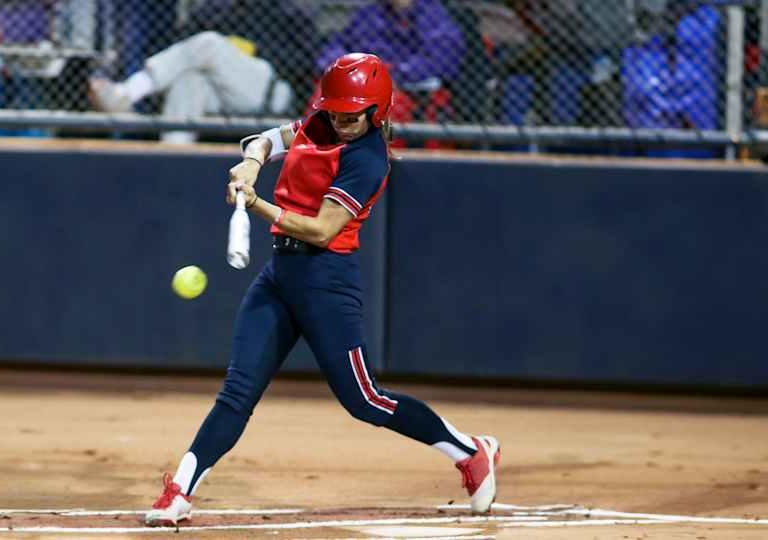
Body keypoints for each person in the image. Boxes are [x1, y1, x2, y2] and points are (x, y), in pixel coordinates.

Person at [143, 53, 500, 527]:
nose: (340, 121)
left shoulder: (368, 158)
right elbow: (271, 139)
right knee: (237, 393)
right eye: (334, 111)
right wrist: (250, 163)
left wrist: (257, 204)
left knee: (364, 400)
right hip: (280, 275)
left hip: (326, 280)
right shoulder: (325, 118)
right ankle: (180, 492)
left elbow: (321, 230)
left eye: (351, 115)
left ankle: (470, 451)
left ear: (377, 112)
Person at [89, 0, 320, 144]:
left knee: (209, 43)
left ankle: (127, 92)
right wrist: (225, 48)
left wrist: (254, 50)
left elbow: (304, 62)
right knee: (189, 80)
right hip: (221, 92)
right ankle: (174, 158)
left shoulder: (288, 11)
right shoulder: (216, 10)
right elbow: (183, 46)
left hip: (272, 91)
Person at [314, 0, 464, 134]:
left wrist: (396, 74)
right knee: (325, 91)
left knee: (387, 106)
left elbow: (441, 59)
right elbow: (336, 48)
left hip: (403, 88)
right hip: (360, 80)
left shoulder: (432, 14)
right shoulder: (369, 14)